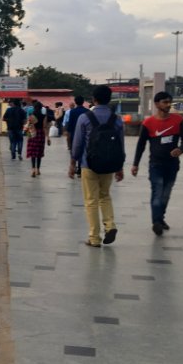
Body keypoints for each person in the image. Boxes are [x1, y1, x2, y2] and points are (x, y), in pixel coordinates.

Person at [69, 85, 125, 247]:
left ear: (94, 99)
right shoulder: (117, 119)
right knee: (105, 196)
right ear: (109, 99)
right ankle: (110, 225)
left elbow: (77, 144)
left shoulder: (85, 118)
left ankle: (94, 238)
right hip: (109, 165)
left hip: (89, 165)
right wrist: (119, 167)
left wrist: (73, 163)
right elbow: (120, 145)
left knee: (91, 200)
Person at [131, 91, 183, 235]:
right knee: (157, 193)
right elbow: (141, 145)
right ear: (157, 104)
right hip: (155, 165)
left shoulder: (178, 120)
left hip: (172, 165)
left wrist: (180, 149)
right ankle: (156, 222)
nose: (168, 105)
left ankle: (160, 217)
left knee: (166, 194)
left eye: (169, 102)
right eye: (165, 102)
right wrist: (135, 164)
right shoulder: (148, 123)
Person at [25, 100, 51, 177]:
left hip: (33, 134)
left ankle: (33, 169)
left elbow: (28, 126)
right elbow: (45, 127)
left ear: (34, 108)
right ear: (41, 108)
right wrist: (48, 138)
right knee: (39, 152)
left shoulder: (31, 116)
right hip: (40, 134)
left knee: (33, 152)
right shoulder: (44, 116)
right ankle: (38, 170)